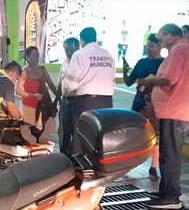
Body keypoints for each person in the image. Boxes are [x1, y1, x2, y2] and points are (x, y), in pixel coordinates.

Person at [140, 23, 189, 209]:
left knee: (170, 155)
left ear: (169, 35)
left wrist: (150, 80)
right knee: (171, 153)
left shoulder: (178, 50)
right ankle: (168, 191)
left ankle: (171, 197)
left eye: (161, 39)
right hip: (182, 109)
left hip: (176, 109)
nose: (160, 43)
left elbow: (170, 79)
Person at [65, 27, 116, 155]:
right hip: (106, 102)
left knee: (81, 134)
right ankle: (98, 163)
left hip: (86, 102)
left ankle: (80, 165)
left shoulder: (79, 55)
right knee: (100, 133)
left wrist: (67, 93)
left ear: (82, 41)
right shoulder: (108, 55)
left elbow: (71, 84)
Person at [123, 33, 164, 181]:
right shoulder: (141, 62)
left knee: (156, 134)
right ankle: (128, 163)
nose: (149, 49)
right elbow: (128, 82)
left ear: (160, 46)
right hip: (139, 101)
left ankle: (153, 167)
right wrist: (125, 69)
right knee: (133, 133)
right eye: (148, 46)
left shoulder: (164, 64)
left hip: (154, 103)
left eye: (152, 46)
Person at [16, 46, 58, 129]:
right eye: (34, 55)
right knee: (30, 129)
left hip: (44, 104)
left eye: (37, 54)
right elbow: (18, 91)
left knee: (43, 128)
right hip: (29, 106)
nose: (37, 57)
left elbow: (51, 85)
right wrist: (33, 95)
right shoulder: (24, 71)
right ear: (27, 57)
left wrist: (58, 98)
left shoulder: (42, 69)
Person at [57, 37, 80, 156]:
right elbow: (60, 83)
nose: (68, 52)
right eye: (66, 49)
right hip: (65, 101)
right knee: (63, 131)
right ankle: (63, 156)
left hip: (77, 101)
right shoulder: (65, 63)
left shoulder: (81, 63)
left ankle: (74, 157)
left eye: (71, 48)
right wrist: (56, 100)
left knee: (75, 131)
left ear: (78, 47)